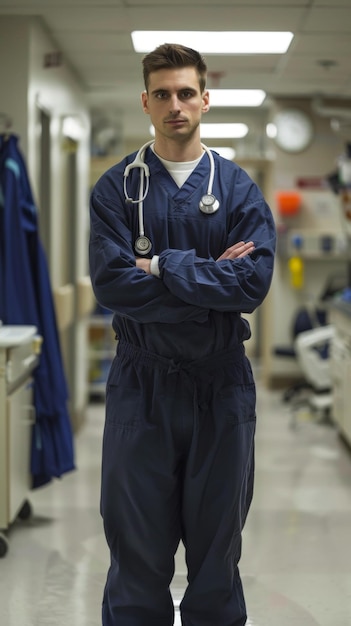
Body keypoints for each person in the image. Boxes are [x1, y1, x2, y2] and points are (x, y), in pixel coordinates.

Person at [89, 43, 276, 626]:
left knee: (218, 551)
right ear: (146, 102)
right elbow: (114, 286)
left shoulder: (237, 188)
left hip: (220, 387)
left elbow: (250, 285)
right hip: (140, 386)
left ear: (205, 99)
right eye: (163, 94)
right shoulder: (118, 189)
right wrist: (207, 284)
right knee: (136, 548)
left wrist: (162, 266)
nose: (176, 104)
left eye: (186, 93)